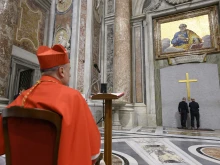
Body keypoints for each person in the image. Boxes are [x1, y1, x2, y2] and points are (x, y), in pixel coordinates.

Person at [0, 44, 101, 165]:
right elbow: (93, 148)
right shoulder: (73, 97)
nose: (70, 74)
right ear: (61, 71)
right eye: (69, 70)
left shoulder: (23, 97)